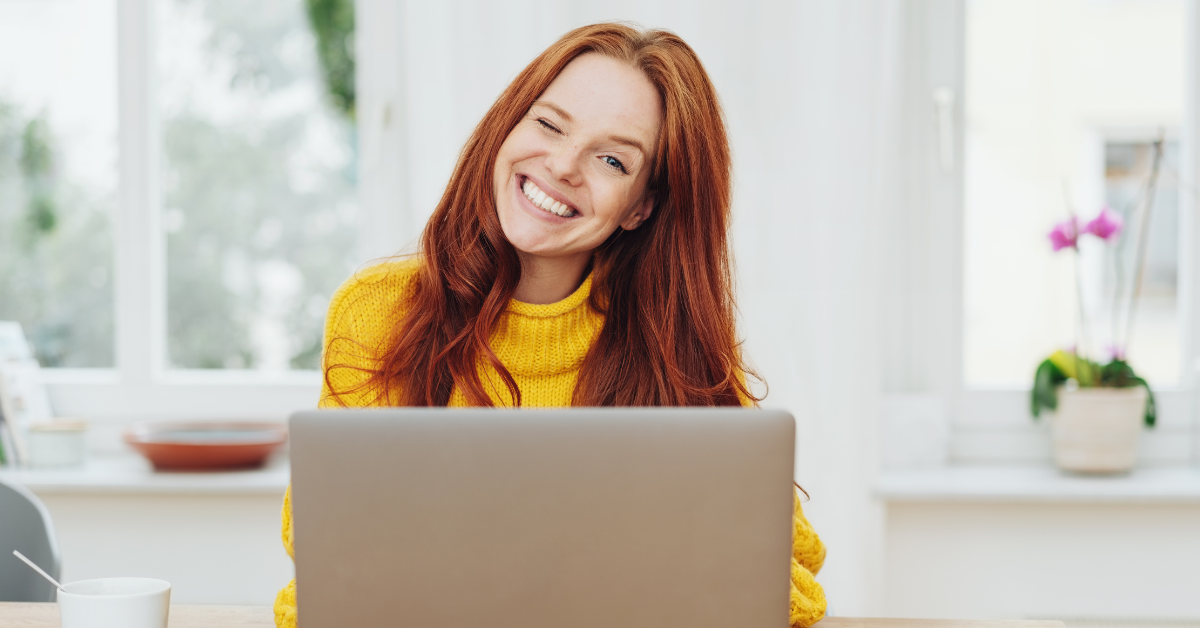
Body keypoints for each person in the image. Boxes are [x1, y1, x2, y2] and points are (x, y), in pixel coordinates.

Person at [273, 22, 826, 627]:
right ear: (508, 126)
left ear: (642, 206)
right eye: (549, 123)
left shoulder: (677, 351)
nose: (563, 165)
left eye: (612, 160)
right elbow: (327, 562)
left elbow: (787, 578)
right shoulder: (380, 310)